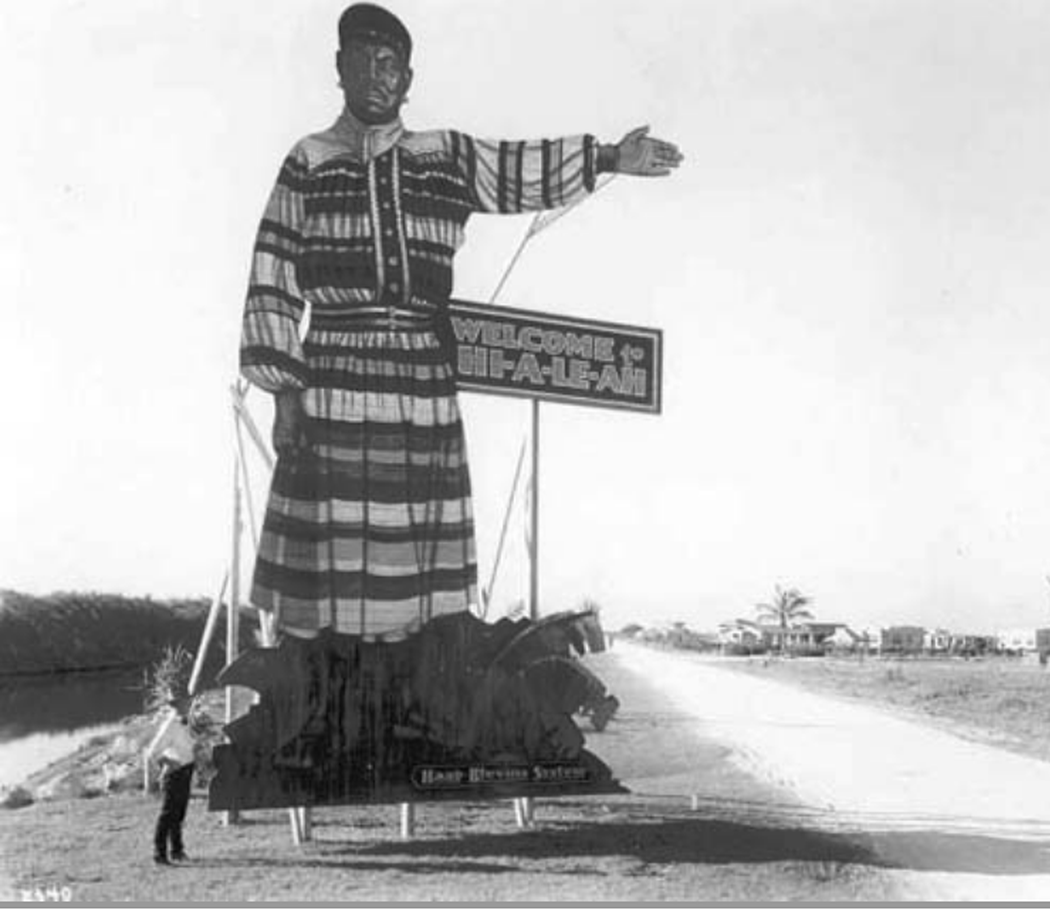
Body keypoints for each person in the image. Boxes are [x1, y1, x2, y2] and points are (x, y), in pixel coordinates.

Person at [240, 3, 683, 644]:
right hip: (332, 369)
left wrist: (612, 155)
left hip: (421, 374)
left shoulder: (443, 155)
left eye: (390, 64)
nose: (377, 75)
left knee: (419, 571)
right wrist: (284, 392)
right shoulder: (306, 161)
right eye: (363, 60)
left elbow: (516, 168)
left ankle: (415, 695)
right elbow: (272, 272)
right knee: (325, 575)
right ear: (339, 68)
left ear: (409, 80)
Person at [144, 696, 197, 865]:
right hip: (174, 774)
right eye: (186, 702)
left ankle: (177, 850)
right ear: (177, 706)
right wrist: (169, 762)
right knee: (168, 815)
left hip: (187, 770)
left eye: (190, 701)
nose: (190, 704)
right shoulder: (170, 725)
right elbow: (152, 753)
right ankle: (159, 854)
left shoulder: (187, 721)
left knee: (179, 814)